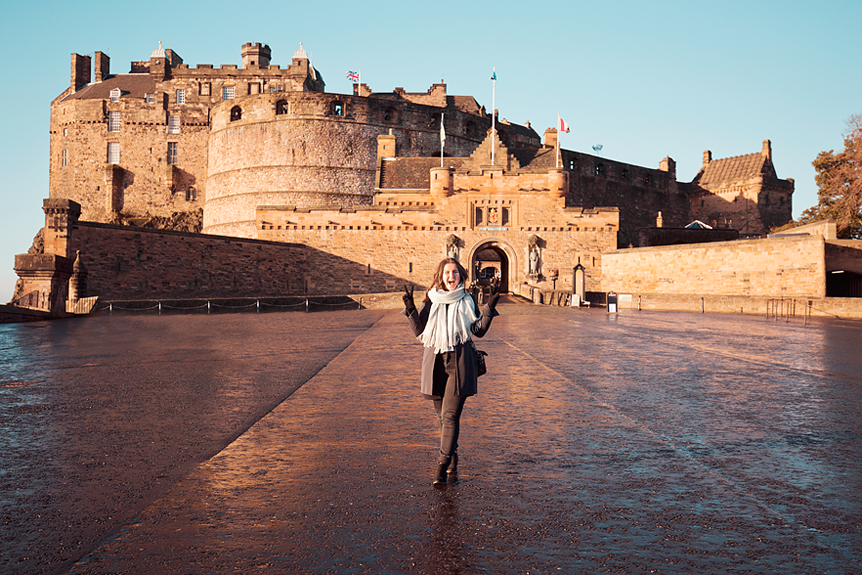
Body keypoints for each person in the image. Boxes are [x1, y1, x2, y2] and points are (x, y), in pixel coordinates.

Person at [402, 258, 499, 487]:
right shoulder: (432, 300)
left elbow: (478, 330)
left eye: (455, 272)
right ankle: (453, 457)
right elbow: (419, 332)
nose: (451, 276)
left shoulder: (467, 299)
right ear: (441, 275)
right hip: (435, 361)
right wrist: (410, 308)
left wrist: (490, 306)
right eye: (447, 272)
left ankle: (441, 466)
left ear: (461, 275)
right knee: (441, 419)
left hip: (460, 361)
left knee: (450, 417)